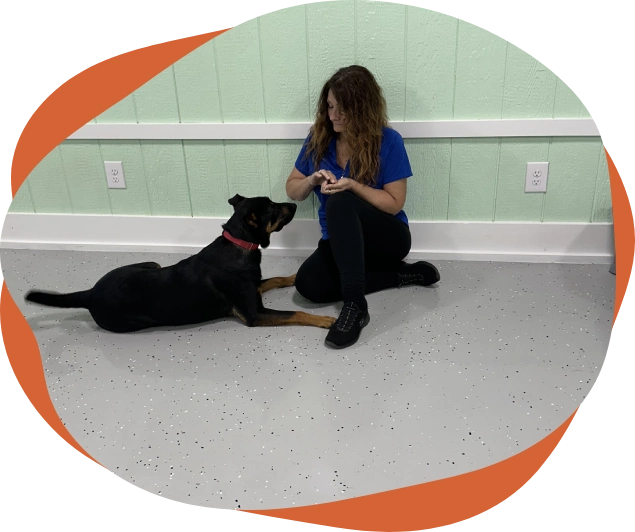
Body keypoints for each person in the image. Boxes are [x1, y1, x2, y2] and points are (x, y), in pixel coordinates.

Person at [285, 65, 440, 350]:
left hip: (387, 239)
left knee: (342, 199)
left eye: (342, 110)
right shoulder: (319, 138)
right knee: (308, 285)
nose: (333, 116)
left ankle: (355, 307)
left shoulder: (389, 141)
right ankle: (401, 275)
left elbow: (394, 204)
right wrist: (312, 179)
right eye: (330, 106)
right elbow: (292, 189)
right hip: (341, 242)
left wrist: (353, 186)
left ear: (362, 108)